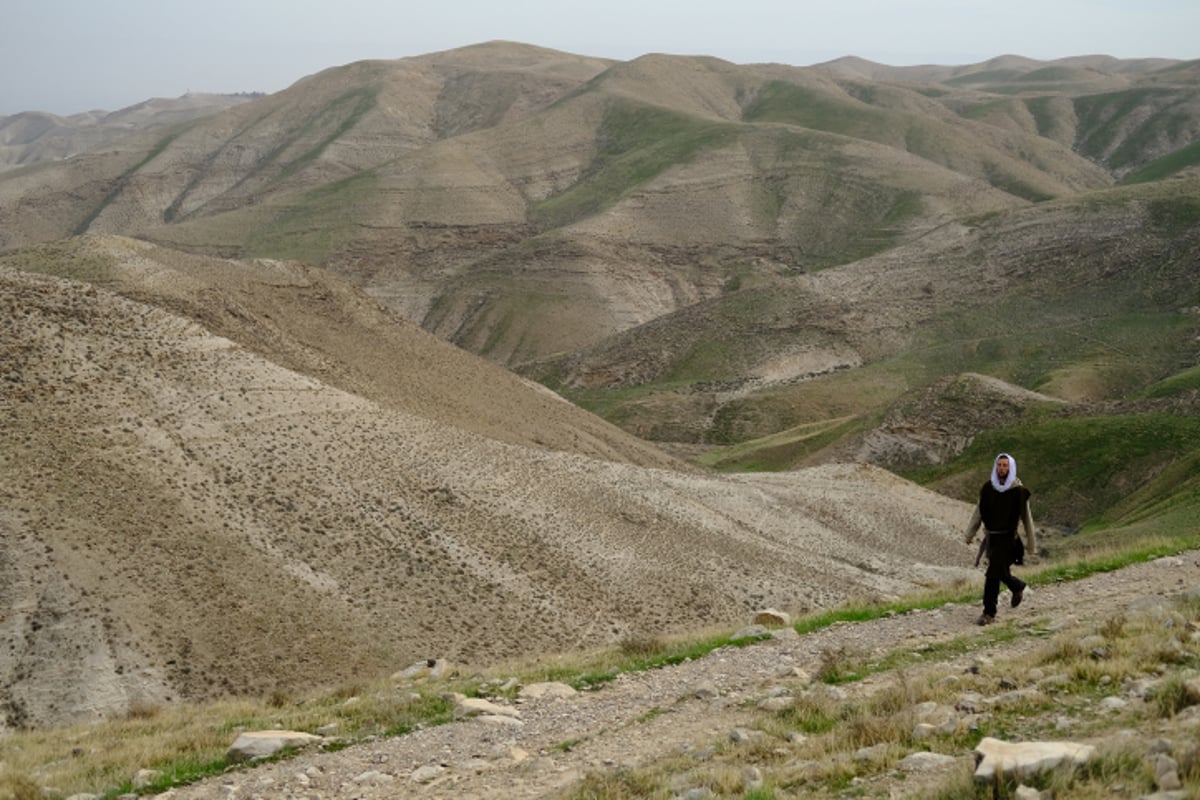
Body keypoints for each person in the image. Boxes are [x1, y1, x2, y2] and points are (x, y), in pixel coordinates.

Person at [963, 452, 1037, 625]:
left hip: (1009, 540)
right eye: (999, 465)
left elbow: (1027, 518)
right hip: (992, 540)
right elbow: (978, 512)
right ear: (996, 467)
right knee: (1000, 572)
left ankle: (988, 613)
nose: (1002, 468)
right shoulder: (988, 488)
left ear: (1010, 468)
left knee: (992, 574)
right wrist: (970, 534)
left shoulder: (1019, 491)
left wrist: (1031, 545)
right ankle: (1017, 586)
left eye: (1005, 465)